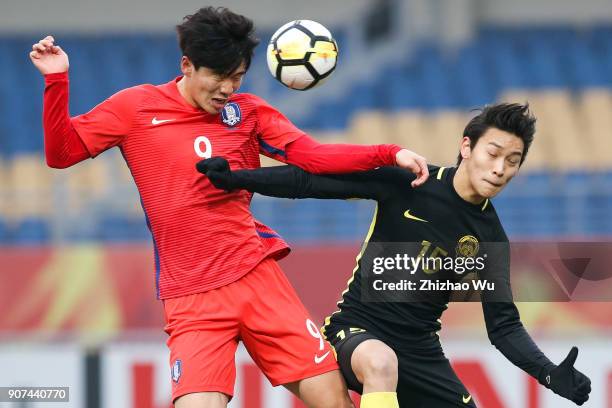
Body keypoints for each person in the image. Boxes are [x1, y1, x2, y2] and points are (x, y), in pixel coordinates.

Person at [29, 6, 431, 408]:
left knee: (335, 402)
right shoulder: (135, 108)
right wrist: (56, 80)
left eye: (237, 77)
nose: (227, 88)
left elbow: (312, 156)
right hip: (192, 298)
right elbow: (61, 153)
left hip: (257, 279)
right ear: (187, 65)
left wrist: (388, 152)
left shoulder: (249, 113)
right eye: (218, 76)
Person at [197, 103, 592, 407]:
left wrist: (549, 374)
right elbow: (309, 181)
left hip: (420, 351)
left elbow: (503, 327)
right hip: (355, 333)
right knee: (382, 364)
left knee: (400, 367)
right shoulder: (409, 182)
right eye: (493, 153)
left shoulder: (490, 238)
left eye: (513, 161)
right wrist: (237, 177)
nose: (500, 168)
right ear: (466, 147)